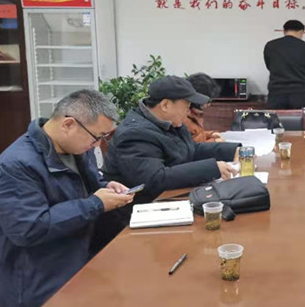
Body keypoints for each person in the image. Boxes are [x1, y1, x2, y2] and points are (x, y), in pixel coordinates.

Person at [0, 90, 136, 307]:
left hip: (71, 248)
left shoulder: (76, 148)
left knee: (140, 272)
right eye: (96, 137)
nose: (97, 145)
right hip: (31, 272)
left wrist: (106, 187)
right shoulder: (15, 166)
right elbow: (28, 229)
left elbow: (88, 185)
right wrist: (95, 204)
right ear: (68, 124)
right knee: (116, 300)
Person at [95, 76, 240, 252]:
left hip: (169, 202)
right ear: (165, 105)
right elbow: (155, 179)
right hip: (135, 221)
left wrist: (232, 151)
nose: (188, 111)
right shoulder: (134, 134)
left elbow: (190, 150)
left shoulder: (169, 123)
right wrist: (212, 168)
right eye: (186, 105)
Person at [264, 19, 305, 120]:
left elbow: (269, 66)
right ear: (301, 32)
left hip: (276, 93)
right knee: (300, 125)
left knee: (275, 125)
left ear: (284, 31)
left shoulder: (270, 46)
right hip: (299, 93)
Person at [184, 72, 224, 143]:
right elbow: (192, 146)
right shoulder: (183, 119)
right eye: (207, 101)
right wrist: (214, 142)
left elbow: (198, 135)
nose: (208, 105)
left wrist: (211, 134)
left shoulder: (193, 114)